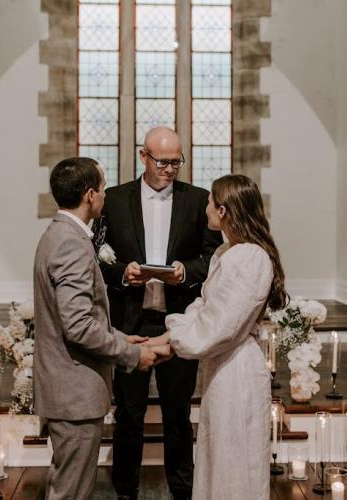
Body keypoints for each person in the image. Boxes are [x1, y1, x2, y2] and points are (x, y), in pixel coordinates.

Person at [94, 127, 222, 500]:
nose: (169, 169)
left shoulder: (198, 200)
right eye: (162, 161)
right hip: (130, 320)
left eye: (176, 162)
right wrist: (122, 274)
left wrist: (186, 272)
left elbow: (212, 258)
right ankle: (126, 491)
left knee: (178, 414)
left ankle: (183, 490)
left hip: (180, 320)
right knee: (129, 415)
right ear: (143, 156)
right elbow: (99, 259)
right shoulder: (114, 200)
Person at [146, 174, 290, 500]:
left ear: (223, 210)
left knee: (234, 463)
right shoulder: (227, 251)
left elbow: (220, 328)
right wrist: (162, 339)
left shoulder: (249, 258)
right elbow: (204, 309)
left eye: (210, 201)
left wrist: (172, 343)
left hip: (237, 370)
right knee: (218, 457)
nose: (205, 207)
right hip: (222, 368)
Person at [33, 157, 169, 500]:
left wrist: (122, 337)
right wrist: (131, 353)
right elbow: (77, 325)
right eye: (104, 187)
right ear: (90, 194)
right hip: (73, 393)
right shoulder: (70, 243)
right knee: (71, 492)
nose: (106, 195)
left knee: (68, 485)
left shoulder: (57, 234)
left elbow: (80, 316)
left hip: (66, 391)